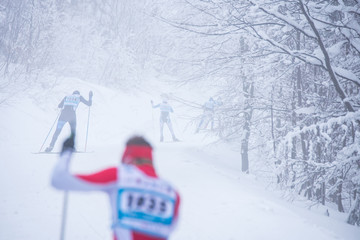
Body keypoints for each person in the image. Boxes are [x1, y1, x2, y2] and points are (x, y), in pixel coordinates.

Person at [51, 134, 181, 240]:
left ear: (127, 155)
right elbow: (171, 228)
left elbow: (59, 179)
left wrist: (66, 153)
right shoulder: (172, 192)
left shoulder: (120, 175)